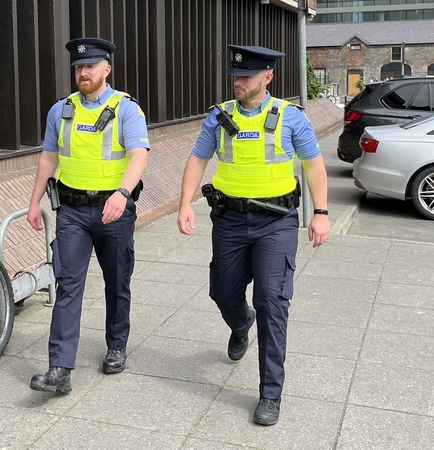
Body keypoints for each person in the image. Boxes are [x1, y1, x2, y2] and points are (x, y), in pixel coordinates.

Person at [176, 45, 330, 425]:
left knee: (272, 302)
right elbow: (197, 159)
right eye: (235, 76)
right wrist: (184, 205)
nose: (238, 82)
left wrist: (321, 214)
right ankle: (240, 323)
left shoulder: (290, 117)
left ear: (268, 77)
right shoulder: (219, 118)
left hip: (276, 223)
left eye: (245, 76)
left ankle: (270, 394)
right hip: (229, 220)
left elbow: (314, 165)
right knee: (223, 291)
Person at [27, 37, 150, 393]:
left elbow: (139, 154)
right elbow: (48, 158)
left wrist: (123, 194)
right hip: (72, 212)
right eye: (79, 67)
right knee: (67, 285)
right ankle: (59, 368)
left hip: (114, 211)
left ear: (106, 69)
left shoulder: (126, 108)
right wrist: (35, 200)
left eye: (90, 66)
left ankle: (116, 344)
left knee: (117, 280)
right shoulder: (60, 110)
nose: (82, 72)